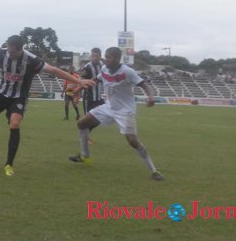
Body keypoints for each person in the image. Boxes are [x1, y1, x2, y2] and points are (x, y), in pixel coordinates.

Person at [0, 35, 95, 176]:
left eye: (12, 52)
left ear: (20, 50)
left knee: (15, 123)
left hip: (19, 96)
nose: (9, 53)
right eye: (8, 50)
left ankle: (9, 164)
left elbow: (54, 70)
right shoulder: (3, 53)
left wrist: (79, 82)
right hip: (2, 92)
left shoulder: (31, 60)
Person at [68, 47, 164, 181]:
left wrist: (151, 97)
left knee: (132, 141)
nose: (105, 59)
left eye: (108, 57)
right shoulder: (105, 69)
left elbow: (144, 85)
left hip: (125, 110)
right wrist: (78, 89)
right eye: (105, 56)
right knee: (82, 124)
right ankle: (85, 156)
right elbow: (96, 80)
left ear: (117, 59)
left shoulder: (127, 71)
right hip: (109, 107)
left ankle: (154, 171)